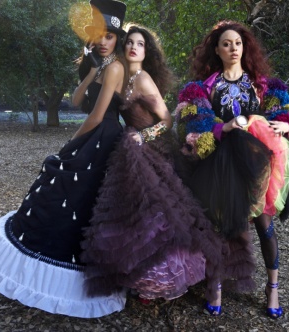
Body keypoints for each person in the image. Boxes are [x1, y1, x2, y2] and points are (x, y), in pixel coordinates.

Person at [0, 0, 128, 318]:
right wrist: (90, 69)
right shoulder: (100, 65)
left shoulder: (117, 67)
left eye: (110, 37)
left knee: (77, 193)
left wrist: (72, 142)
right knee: (65, 189)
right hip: (94, 132)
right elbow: (77, 100)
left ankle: (70, 270)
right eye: (99, 35)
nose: (104, 41)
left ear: (117, 39)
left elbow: (96, 115)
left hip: (103, 136)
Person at [79, 25, 223, 302]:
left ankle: (163, 277)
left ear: (147, 52)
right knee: (132, 212)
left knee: (158, 213)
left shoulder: (143, 78)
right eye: (130, 42)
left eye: (140, 44)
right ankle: (138, 274)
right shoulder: (119, 75)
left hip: (151, 147)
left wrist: (142, 138)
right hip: (128, 146)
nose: (134, 47)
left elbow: (167, 120)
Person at [174, 20, 289, 319]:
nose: (233, 48)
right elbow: (193, 129)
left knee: (265, 227)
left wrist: (287, 123)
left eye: (238, 43)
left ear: (245, 48)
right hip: (221, 165)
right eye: (226, 44)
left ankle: (273, 288)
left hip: (260, 165)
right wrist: (224, 127)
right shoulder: (204, 87)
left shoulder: (263, 85)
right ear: (216, 50)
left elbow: (287, 114)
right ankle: (215, 285)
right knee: (220, 227)